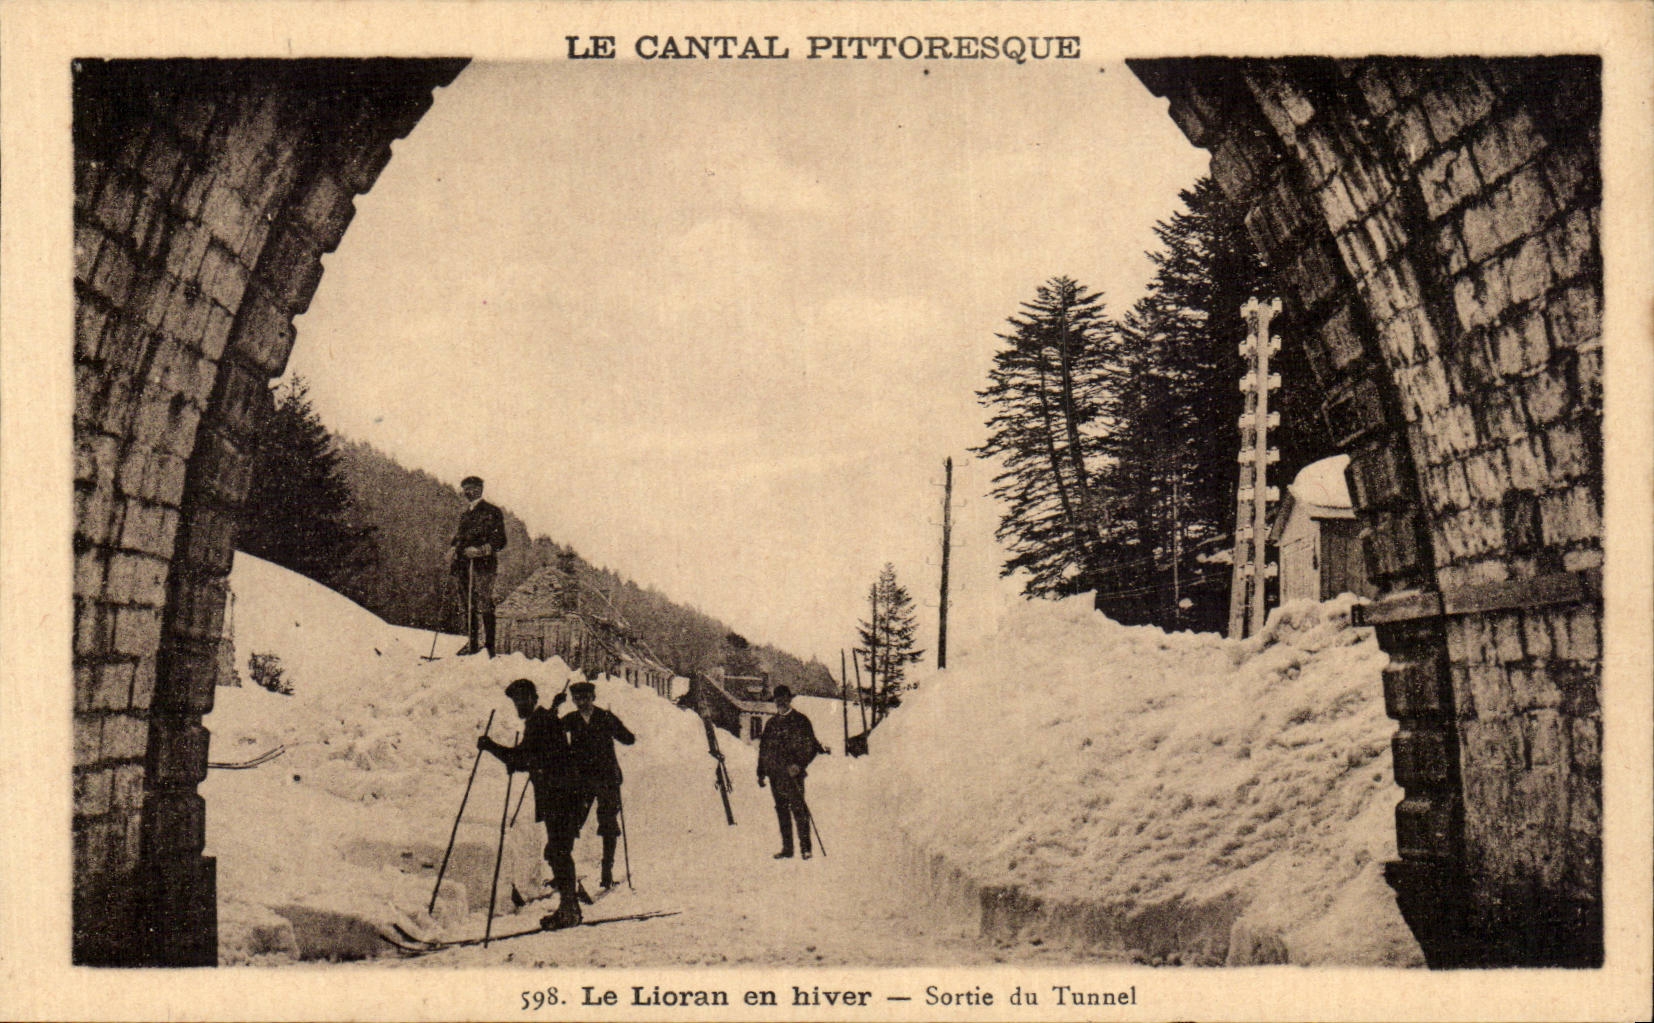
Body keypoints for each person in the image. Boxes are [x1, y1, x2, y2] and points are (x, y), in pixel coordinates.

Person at [477, 679, 584, 928]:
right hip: (562, 795)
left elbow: (520, 759)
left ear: (534, 699)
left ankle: (570, 909)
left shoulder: (539, 722)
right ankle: (570, 907)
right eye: (515, 701)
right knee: (557, 851)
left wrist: (490, 746)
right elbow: (527, 758)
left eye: (523, 699)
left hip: (561, 796)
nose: (519, 705)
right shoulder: (541, 720)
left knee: (558, 852)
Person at [561, 680, 636, 889]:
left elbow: (629, 739)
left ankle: (607, 870)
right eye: (577, 699)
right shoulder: (571, 719)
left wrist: (618, 729)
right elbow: (549, 734)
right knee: (572, 821)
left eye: (585, 698)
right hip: (581, 780)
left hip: (607, 779)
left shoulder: (605, 717)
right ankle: (564, 872)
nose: (581, 702)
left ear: (593, 698)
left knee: (608, 823)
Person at [756, 685, 823, 860]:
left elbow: (813, 747)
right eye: (777, 700)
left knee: (799, 810)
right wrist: (761, 772)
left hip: (793, 776)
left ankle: (806, 848)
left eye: (784, 699)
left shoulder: (801, 721)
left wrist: (799, 765)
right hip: (776, 776)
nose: (781, 702)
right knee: (781, 811)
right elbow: (763, 750)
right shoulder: (771, 724)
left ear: (789, 699)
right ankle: (787, 849)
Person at [450, 475, 507, 656]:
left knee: (484, 603)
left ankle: (489, 649)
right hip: (463, 566)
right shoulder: (465, 514)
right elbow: (459, 538)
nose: (469, 492)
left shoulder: (492, 511)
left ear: (481, 489)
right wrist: (453, 549)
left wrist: (482, 550)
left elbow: (500, 540)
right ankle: (472, 645)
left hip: (483, 565)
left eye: (473, 488)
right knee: (468, 606)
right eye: (466, 488)